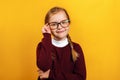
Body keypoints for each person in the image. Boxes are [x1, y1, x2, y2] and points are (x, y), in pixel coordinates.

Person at [36, 6, 86, 80]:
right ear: (47, 26)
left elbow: (81, 78)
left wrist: (51, 75)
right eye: (54, 24)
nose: (59, 27)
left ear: (69, 23)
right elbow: (43, 66)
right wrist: (47, 36)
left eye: (64, 22)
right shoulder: (42, 46)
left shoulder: (76, 48)